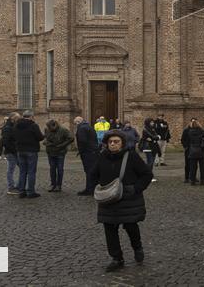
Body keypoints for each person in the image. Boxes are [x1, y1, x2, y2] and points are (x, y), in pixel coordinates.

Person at [89, 129, 153, 272]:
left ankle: (137, 247)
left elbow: (147, 174)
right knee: (109, 230)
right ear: (106, 143)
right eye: (110, 142)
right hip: (108, 200)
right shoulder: (102, 157)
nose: (113, 144)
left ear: (122, 143)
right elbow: (92, 174)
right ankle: (117, 258)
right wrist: (97, 188)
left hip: (128, 199)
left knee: (131, 226)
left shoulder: (131, 156)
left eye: (116, 142)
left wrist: (136, 189)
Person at [13, 110, 44, 199]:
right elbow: (40, 137)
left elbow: (14, 136)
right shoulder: (33, 125)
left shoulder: (16, 125)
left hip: (20, 150)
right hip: (31, 150)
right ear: (31, 116)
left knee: (22, 172)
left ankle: (22, 191)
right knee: (31, 172)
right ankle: (31, 192)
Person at [42, 119, 74, 193]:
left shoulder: (63, 130)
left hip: (60, 152)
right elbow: (46, 138)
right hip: (50, 152)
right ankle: (53, 184)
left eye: (51, 127)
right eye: (48, 127)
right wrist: (46, 142)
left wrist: (62, 145)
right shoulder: (47, 129)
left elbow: (71, 138)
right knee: (52, 169)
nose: (50, 129)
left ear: (55, 125)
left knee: (60, 169)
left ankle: (59, 185)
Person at [74, 116, 99, 195]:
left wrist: (80, 151)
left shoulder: (81, 128)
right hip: (94, 151)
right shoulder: (89, 126)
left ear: (78, 122)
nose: (75, 125)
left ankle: (89, 189)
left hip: (87, 152)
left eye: (75, 123)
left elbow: (82, 141)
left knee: (89, 171)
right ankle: (93, 188)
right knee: (92, 170)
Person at [0, 113, 20, 194]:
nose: (18, 120)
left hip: (14, 151)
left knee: (21, 168)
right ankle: (11, 188)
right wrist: (14, 150)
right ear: (13, 118)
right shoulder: (7, 128)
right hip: (11, 152)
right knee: (10, 170)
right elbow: (5, 142)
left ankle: (18, 186)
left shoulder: (11, 126)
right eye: (17, 118)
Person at [185, 118, 204, 186]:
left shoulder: (189, 132)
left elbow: (187, 140)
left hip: (192, 150)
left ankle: (192, 180)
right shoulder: (202, 131)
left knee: (193, 167)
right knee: (202, 166)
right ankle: (202, 180)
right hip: (201, 150)